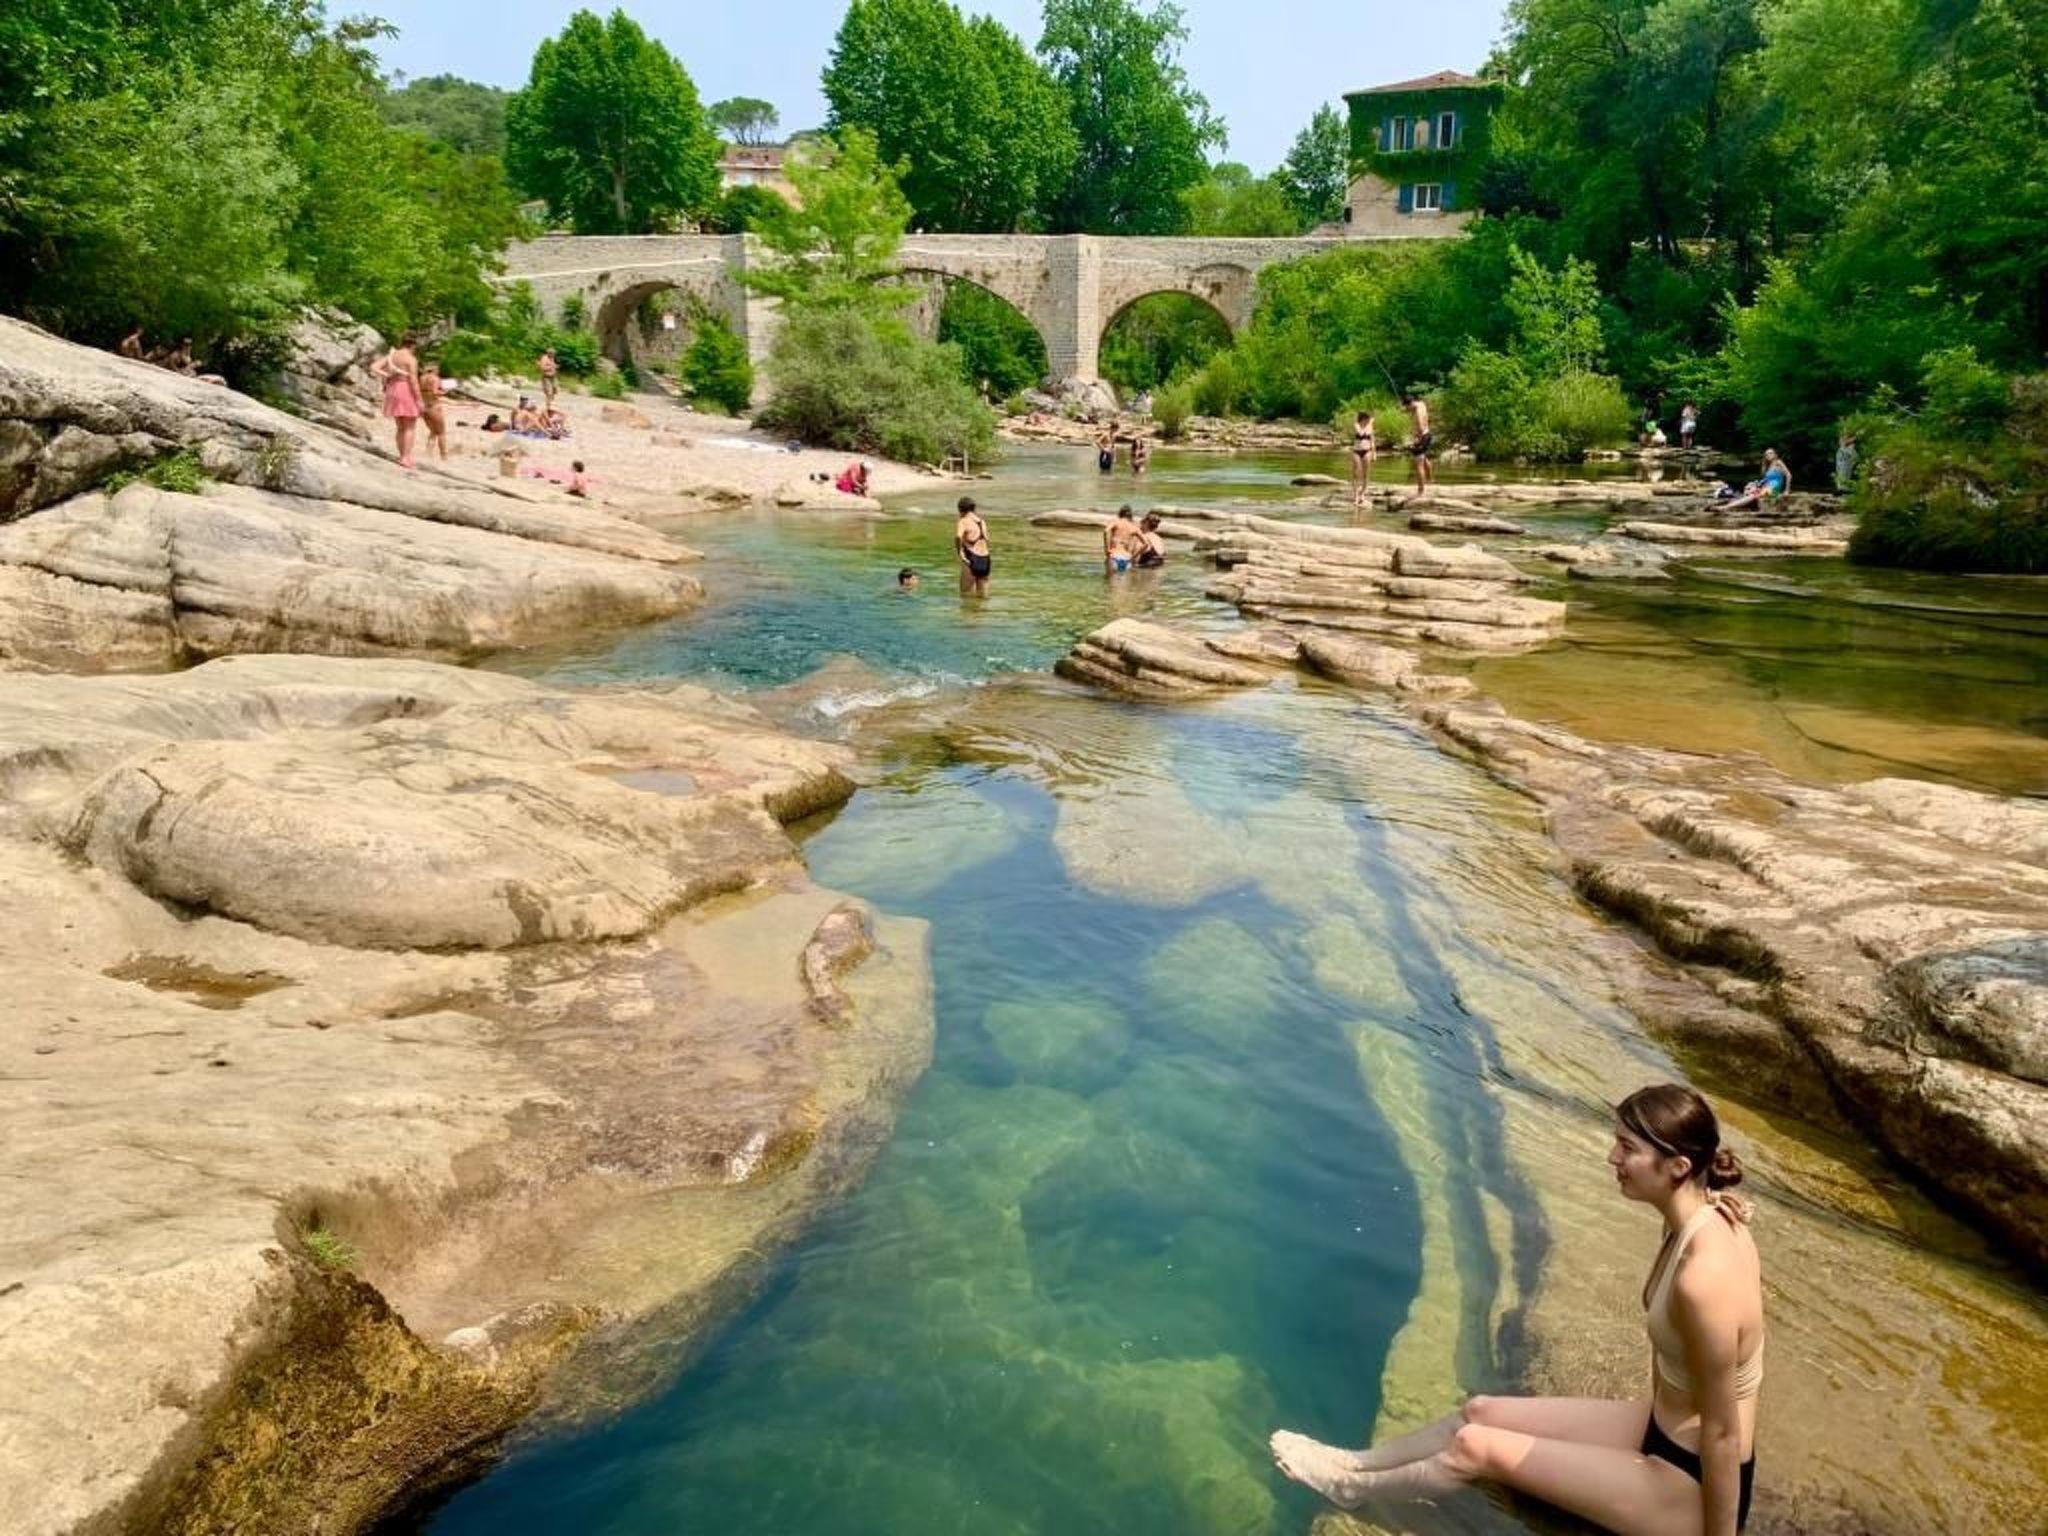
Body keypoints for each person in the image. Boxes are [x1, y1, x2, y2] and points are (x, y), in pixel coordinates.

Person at [1273, 1082, 1764, 1536]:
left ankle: (1351, 1489)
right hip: (1660, 1427)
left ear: (1678, 1167)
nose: (1612, 1157)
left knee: (1474, 1448)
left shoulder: (1703, 1278)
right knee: (1479, 1411)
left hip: (1689, 1483)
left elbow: (1723, 1433)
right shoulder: (1699, 1213)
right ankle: (1355, 1462)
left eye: (1627, 1148)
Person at [368, 336, 424, 469]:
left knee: (400, 427)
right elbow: (413, 381)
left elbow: (373, 367)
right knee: (409, 427)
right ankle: (405, 458)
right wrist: (419, 400)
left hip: (392, 389)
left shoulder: (392, 355)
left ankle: (401, 455)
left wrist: (387, 375)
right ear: (413, 345)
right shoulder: (411, 359)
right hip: (406, 390)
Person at [1716, 449, 1790, 512]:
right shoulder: (1768, 466)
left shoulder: (1778, 462)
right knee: (1750, 492)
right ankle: (1727, 506)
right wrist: (1755, 484)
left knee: (1753, 496)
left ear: (1775, 455)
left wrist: (1787, 490)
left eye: (1771, 453)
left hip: (1774, 488)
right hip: (1767, 487)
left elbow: (1788, 475)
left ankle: (1725, 507)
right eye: (1767, 454)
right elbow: (1766, 480)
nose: (1768, 455)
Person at [955, 495, 992, 596]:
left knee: (966, 596)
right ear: (974, 509)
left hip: (971, 558)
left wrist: (960, 552)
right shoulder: (982, 522)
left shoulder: (963, 521)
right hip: (985, 559)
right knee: (983, 596)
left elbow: (958, 536)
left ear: (960, 510)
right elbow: (987, 539)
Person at [1404, 394, 1433, 497]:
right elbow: (1413, 409)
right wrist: (1408, 410)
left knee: (1419, 465)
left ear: (1410, 404)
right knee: (1424, 459)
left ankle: (1421, 491)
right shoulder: (1421, 404)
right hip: (1428, 434)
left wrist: (1416, 441)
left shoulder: (1417, 413)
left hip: (1422, 437)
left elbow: (1420, 427)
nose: (1407, 409)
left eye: (1407, 407)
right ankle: (1430, 480)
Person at [419, 364, 449, 462]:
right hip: (434, 406)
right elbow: (435, 392)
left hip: (424, 407)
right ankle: (444, 456)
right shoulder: (435, 379)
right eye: (438, 370)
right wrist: (444, 392)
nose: (438, 372)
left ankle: (428, 453)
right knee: (441, 433)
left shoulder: (422, 378)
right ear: (434, 370)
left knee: (433, 432)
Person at [1350, 411, 1377, 508]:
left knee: (1366, 474)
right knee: (1356, 474)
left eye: (1369, 419)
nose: (1368, 420)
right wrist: (1370, 424)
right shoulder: (1356, 425)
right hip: (1356, 451)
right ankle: (1355, 496)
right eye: (1367, 419)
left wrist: (1374, 453)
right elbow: (1361, 433)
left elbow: (1372, 440)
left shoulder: (1370, 426)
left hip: (1367, 451)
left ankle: (1362, 494)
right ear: (1363, 419)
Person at [1103, 504, 1142, 573]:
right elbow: (1146, 544)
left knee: (1111, 579)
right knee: (1123, 578)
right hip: (1127, 558)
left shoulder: (1115, 522)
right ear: (1130, 515)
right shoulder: (1134, 527)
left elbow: (1106, 531)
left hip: (1114, 555)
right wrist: (1133, 556)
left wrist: (1107, 549)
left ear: (1120, 513)